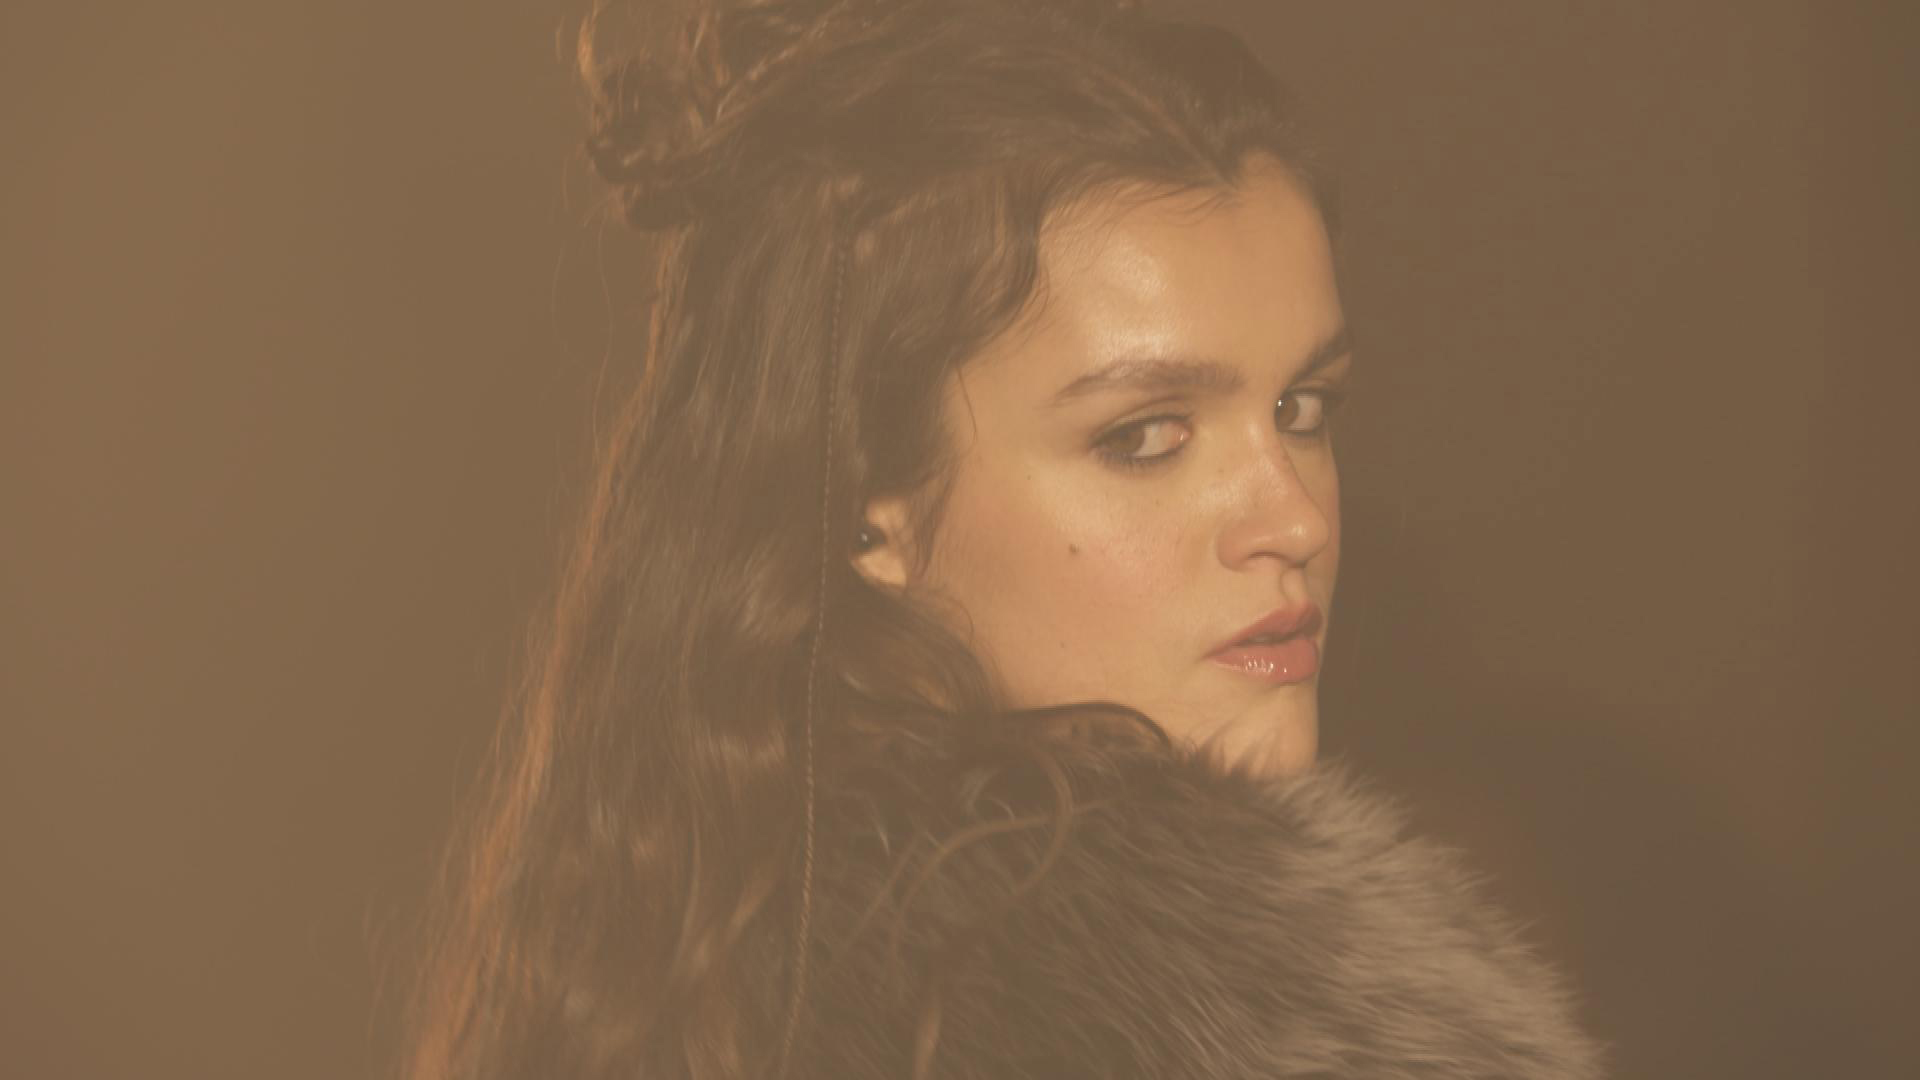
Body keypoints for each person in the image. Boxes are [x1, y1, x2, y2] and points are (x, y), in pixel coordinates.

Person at [397, 1, 1604, 1076]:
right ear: (870, 511)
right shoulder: (1172, 1021)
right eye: (1145, 437)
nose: (1293, 518)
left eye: (1303, 410)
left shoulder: (719, 964)